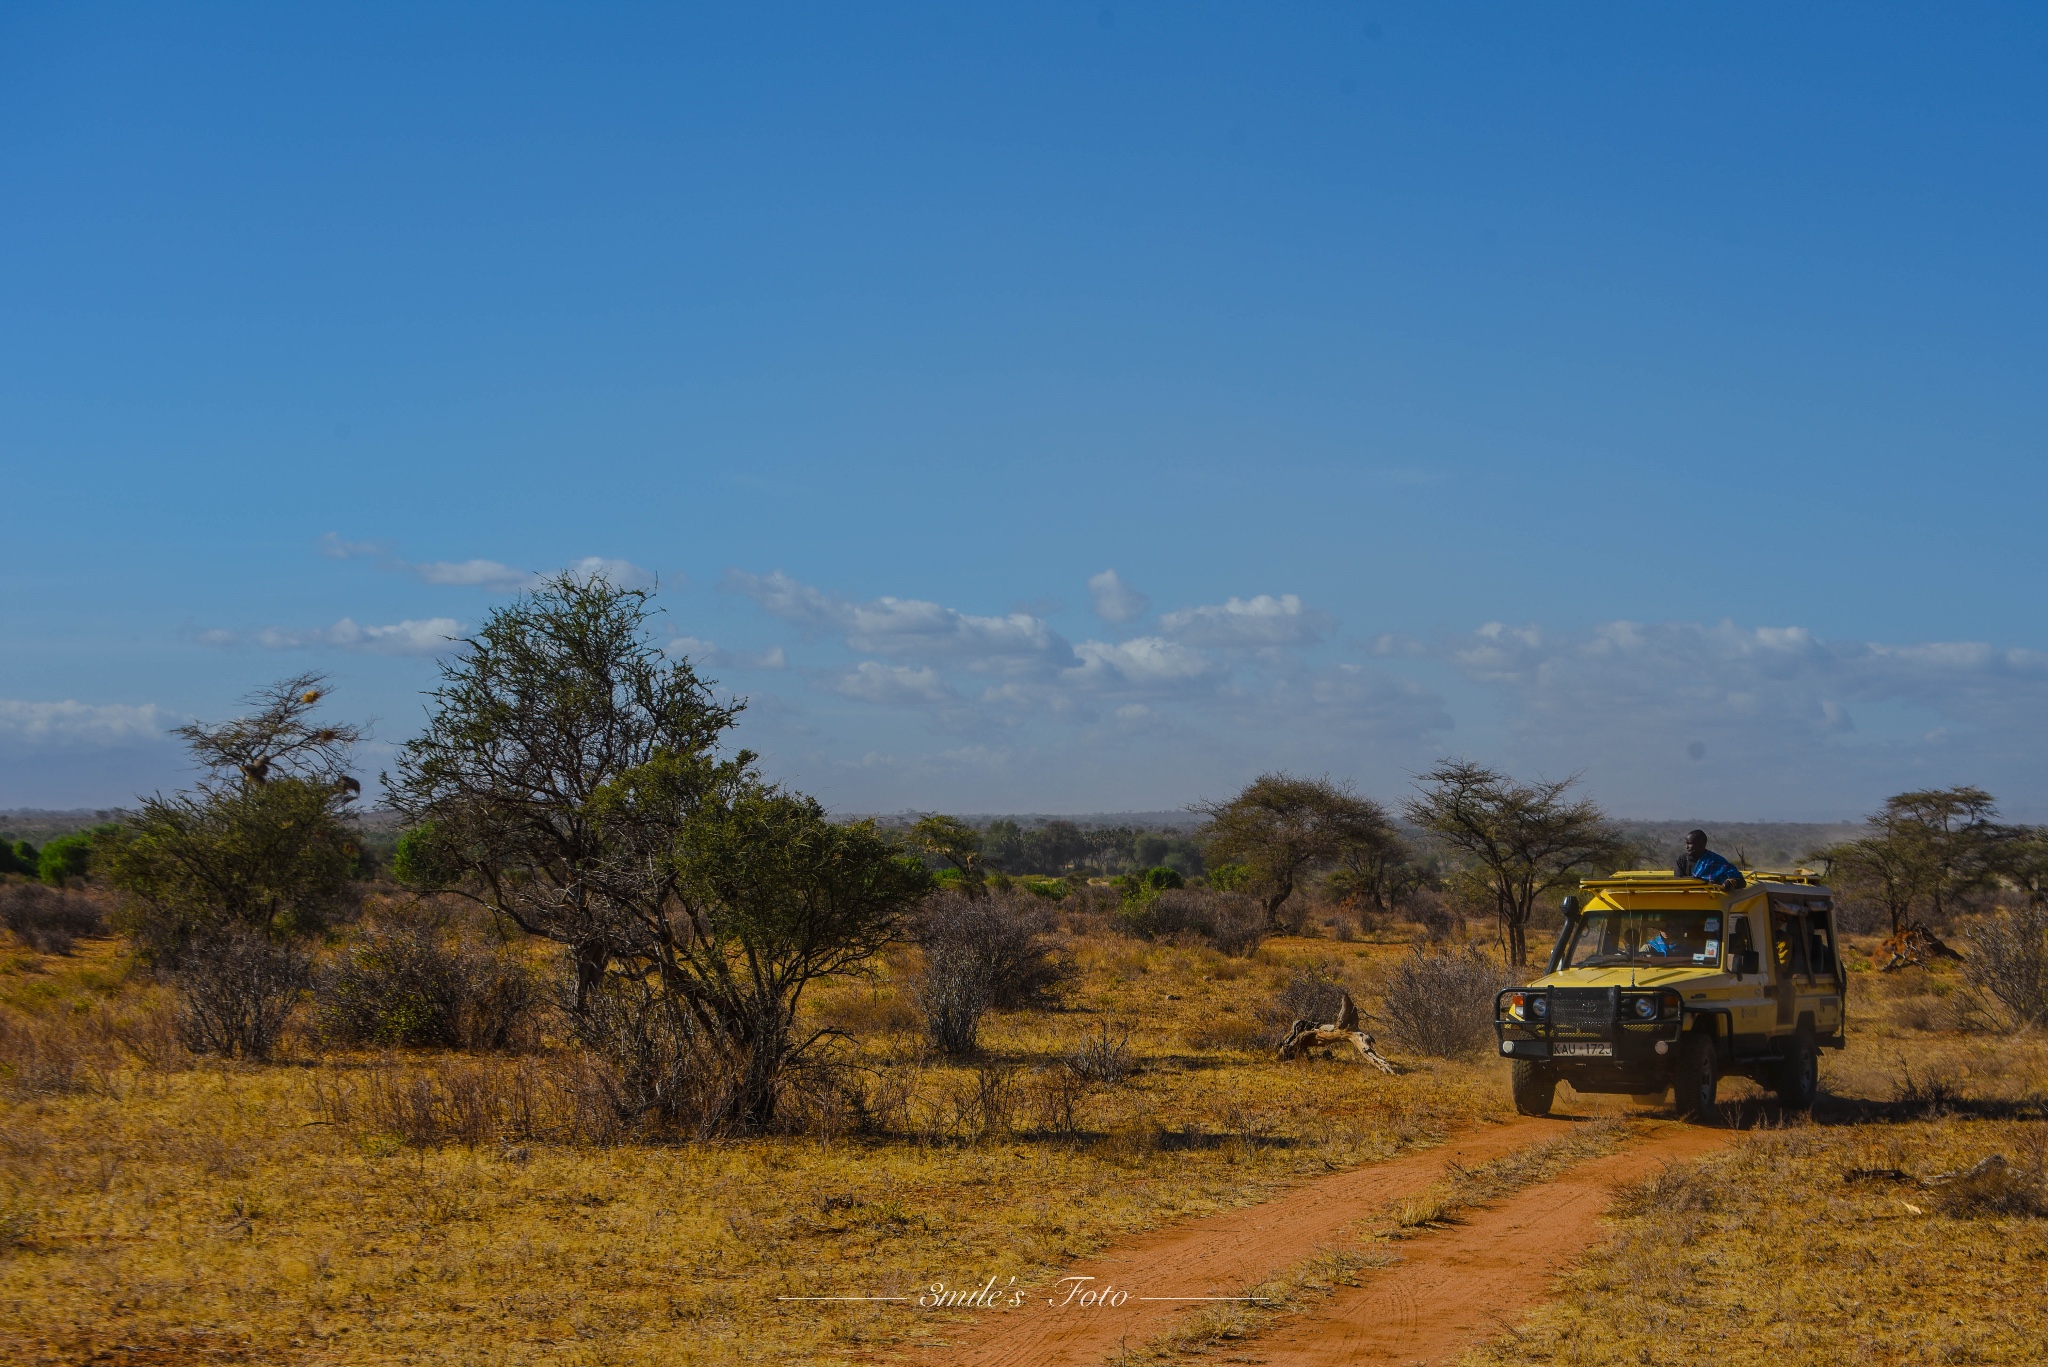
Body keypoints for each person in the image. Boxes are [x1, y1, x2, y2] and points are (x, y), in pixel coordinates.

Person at [1675, 829, 1744, 891]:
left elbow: (1741, 882)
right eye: (1686, 843)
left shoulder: (1716, 861)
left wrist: (1730, 883)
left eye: (1690, 844)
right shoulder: (1682, 860)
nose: (1686, 847)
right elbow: (1678, 882)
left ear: (1701, 844)